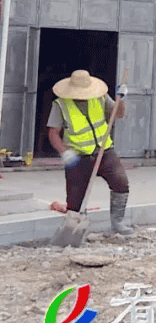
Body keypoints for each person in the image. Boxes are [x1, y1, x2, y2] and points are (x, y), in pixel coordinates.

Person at [47, 70, 133, 235]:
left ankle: (118, 223)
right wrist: (65, 153)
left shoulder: (100, 98)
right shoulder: (60, 105)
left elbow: (119, 114)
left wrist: (120, 100)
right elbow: (53, 133)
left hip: (104, 151)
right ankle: (75, 231)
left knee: (120, 182)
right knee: (75, 201)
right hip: (78, 157)